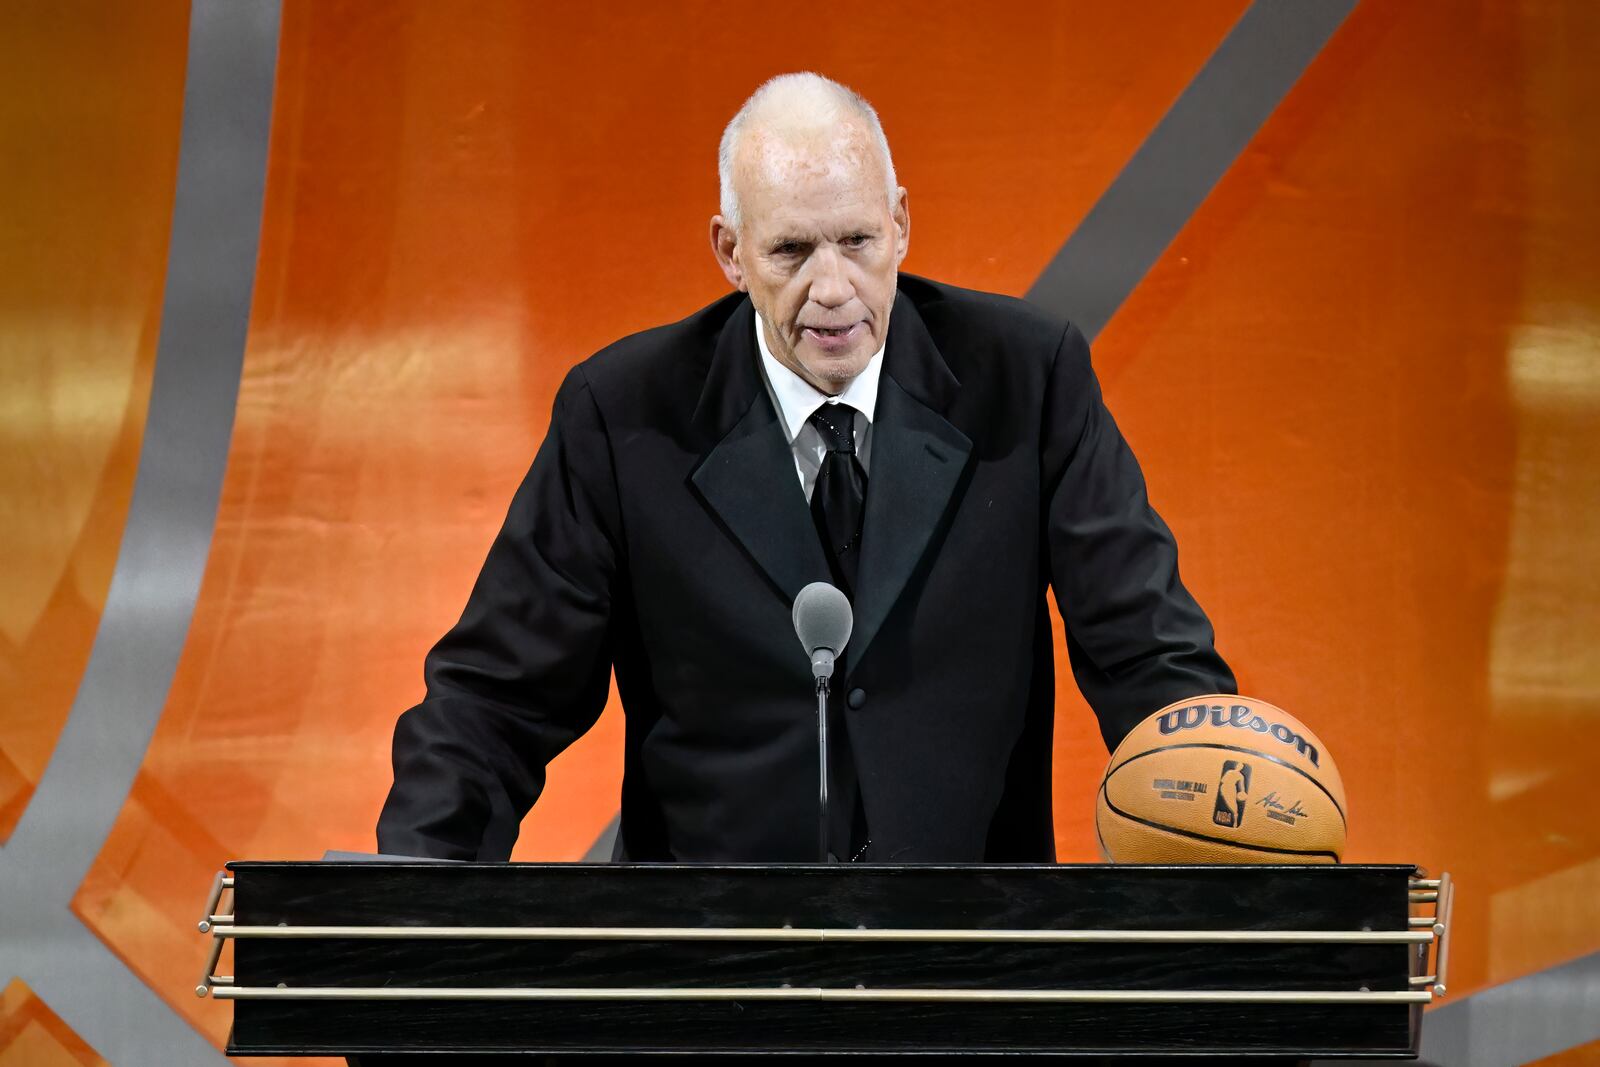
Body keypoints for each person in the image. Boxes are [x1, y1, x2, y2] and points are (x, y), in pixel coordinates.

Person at [376, 72, 1234, 864]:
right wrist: (403, 916)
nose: (832, 288)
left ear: (901, 222)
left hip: (968, 973)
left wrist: (1232, 841)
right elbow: (494, 702)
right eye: (791, 251)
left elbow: (1148, 655)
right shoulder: (624, 414)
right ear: (730, 250)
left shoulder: (1028, 380)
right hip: (711, 985)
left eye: (857, 240)